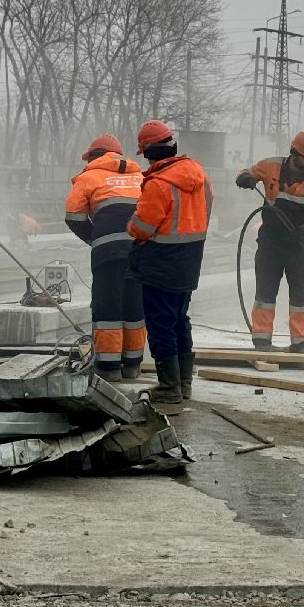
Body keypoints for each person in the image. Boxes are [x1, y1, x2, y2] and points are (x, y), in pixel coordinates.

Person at [126, 120, 212, 406]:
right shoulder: (199, 175)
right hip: (190, 260)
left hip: (160, 264)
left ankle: (169, 387)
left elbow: (142, 227)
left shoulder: (158, 184)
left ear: (149, 151)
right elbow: (206, 210)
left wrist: (130, 226)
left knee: (160, 324)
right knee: (179, 320)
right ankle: (184, 384)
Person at [235, 130, 304, 352]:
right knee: (265, 293)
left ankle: (300, 343)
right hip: (270, 244)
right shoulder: (271, 167)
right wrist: (245, 178)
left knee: (300, 296)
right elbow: (246, 172)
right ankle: (261, 340)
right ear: (294, 153)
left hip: (299, 247)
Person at [64, 134, 144, 381]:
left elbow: (73, 215)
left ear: (94, 156)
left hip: (109, 253)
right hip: (141, 251)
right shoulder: (140, 177)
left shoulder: (89, 177)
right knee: (135, 307)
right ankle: (132, 366)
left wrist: (94, 238)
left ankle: (109, 369)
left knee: (108, 307)